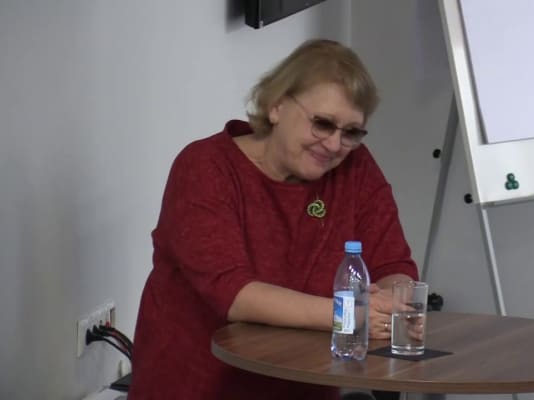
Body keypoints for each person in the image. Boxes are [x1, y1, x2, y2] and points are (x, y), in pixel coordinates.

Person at [128, 39, 419, 399]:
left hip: (304, 386)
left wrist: (391, 305)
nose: (334, 145)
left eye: (351, 133)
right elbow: (235, 295)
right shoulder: (205, 167)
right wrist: (351, 314)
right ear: (277, 106)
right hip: (199, 387)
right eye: (322, 124)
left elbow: (394, 265)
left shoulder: (355, 168)